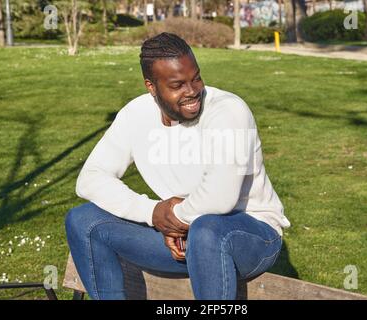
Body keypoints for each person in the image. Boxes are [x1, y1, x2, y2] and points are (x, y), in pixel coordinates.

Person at [65, 32, 290, 300]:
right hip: (183, 239)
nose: (193, 91)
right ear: (151, 87)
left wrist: (178, 220)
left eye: (196, 78)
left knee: (207, 230)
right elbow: (90, 178)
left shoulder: (228, 110)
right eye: (177, 85)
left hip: (251, 235)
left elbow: (220, 198)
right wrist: (153, 213)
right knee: (83, 220)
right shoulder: (135, 115)